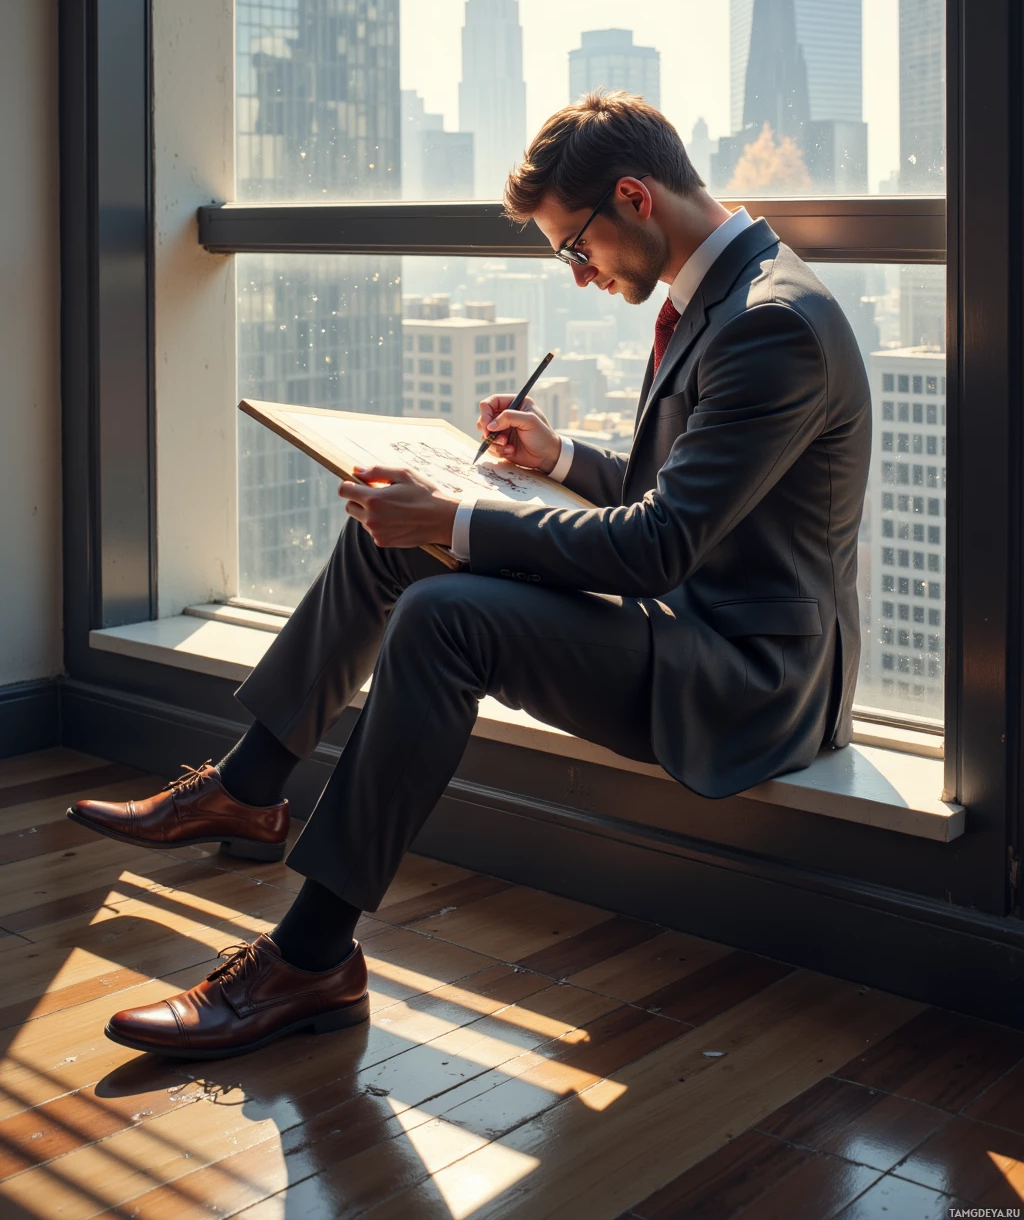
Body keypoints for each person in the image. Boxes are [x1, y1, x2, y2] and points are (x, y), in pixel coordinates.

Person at [69, 91, 870, 1061]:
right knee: (388, 543)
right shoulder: (728, 299)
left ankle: (311, 954)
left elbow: (662, 544)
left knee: (446, 615)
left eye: (574, 248)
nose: (576, 277)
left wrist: (457, 517)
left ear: (632, 196)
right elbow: (694, 501)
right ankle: (249, 785)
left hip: (751, 679)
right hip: (692, 622)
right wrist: (561, 460)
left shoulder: (768, 325)